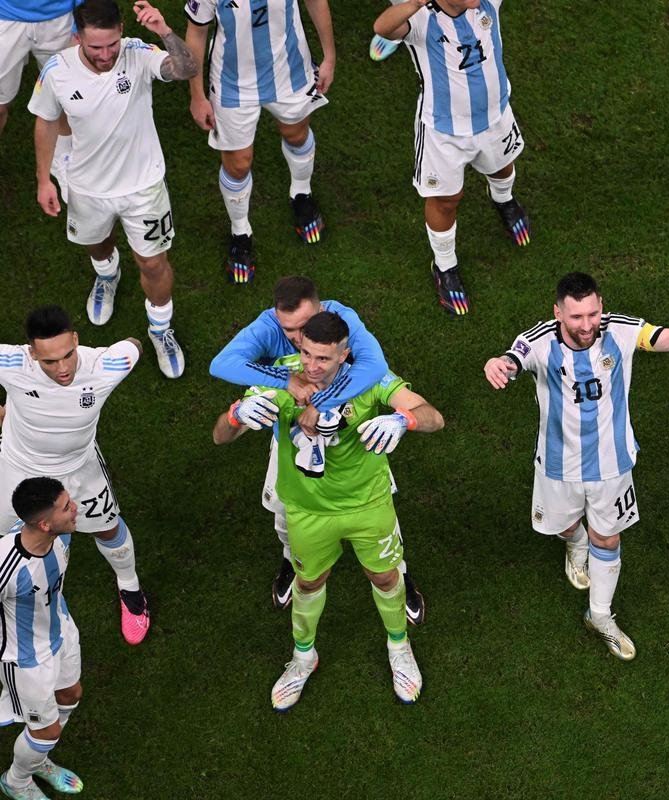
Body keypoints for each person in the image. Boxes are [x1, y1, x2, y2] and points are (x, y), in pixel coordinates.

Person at [483, 272, 669, 660]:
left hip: (613, 464)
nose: (587, 325)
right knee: (564, 527)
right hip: (557, 466)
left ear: (601, 306)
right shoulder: (539, 340)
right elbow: (512, 359)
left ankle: (599, 615)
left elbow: (666, 337)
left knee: (608, 537)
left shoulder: (620, 329)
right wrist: (499, 365)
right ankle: (575, 543)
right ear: (558, 312)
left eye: (593, 314)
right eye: (576, 317)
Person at [213, 311, 443, 710]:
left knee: (385, 577)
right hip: (306, 510)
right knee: (307, 583)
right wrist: (236, 416)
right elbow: (219, 436)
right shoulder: (280, 378)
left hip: (367, 504)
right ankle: (304, 658)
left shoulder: (370, 376)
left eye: (323, 359)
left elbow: (433, 417)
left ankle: (399, 647)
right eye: (305, 354)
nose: (311, 367)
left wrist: (402, 421)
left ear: (344, 354)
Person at [208, 276, 425, 623]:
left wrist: (323, 403)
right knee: (284, 517)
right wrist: (283, 383)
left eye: (304, 328)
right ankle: (293, 560)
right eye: (288, 330)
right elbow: (220, 365)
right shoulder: (272, 332)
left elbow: (375, 367)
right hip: (291, 445)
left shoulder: (344, 322)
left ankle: (396, 570)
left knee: (383, 517)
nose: (296, 340)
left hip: (351, 448)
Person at [27, 0, 196, 379]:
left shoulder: (137, 53)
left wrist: (165, 32)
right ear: (76, 38)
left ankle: (160, 329)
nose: (105, 56)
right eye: (95, 48)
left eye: (111, 45)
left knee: (153, 262)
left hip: (143, 186)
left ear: (122, 30)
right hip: (86, 185)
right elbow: (46, 122)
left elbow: (187, 69)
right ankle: (108, 275)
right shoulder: (57, 71)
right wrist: (44, 180)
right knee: (96, 244)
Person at [0, 306, 151, 646]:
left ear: (76, 340)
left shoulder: (104, 366)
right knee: (1, 536)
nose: (63, 368)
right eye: (49, 362)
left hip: (78, 470)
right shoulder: (12, 363)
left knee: (107, 527)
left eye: (68, 355)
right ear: (31, 353)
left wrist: (136, 343)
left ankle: (130, 587)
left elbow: (134, 345)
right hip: (16, 469)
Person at [373, 0, 530, 317]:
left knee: (502, 167)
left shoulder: (486, 4)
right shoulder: (419, 19)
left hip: (495, 116)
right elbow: (382, 27)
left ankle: (504, 201)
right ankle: (445, 266)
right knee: (446, 200)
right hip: (444, 131)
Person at [183, 0, 336, 284]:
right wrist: (197, 95)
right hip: (232, 82)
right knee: (238, 164)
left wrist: (329, 56)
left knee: (297, 134)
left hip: (290, 69)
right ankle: (240, 231)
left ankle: (301, 193)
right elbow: (197, 31)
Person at [0, 479, 86, 800]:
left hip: (61, 631)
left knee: (70, 694)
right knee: (45, 730)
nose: (75, 507)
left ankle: (38, 759)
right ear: (44, 523)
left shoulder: (62, 536)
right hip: (25, 660)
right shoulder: (5, 565)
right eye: (67, 507)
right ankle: (17, 780)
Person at [0, 0, 73, 158]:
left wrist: (80, 20)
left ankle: (64, 158)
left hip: (60, 17)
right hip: (5, 15)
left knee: (64, 100)